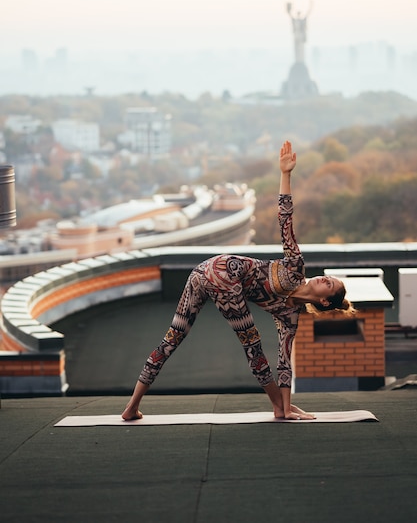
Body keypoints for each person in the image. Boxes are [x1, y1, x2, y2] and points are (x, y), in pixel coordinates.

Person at [122, 140, 352, 421]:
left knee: (177, 337)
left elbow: (284, 363)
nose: (323, 278)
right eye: (327, 278)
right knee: (244, 342)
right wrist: (285, 174)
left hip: (211, 275)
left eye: (328, 284)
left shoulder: (290, 316)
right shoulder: (295, 268)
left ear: (324, 300)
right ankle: (132, 405)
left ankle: (132, 408)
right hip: (217, 270)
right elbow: (285, 220)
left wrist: (289, 403)